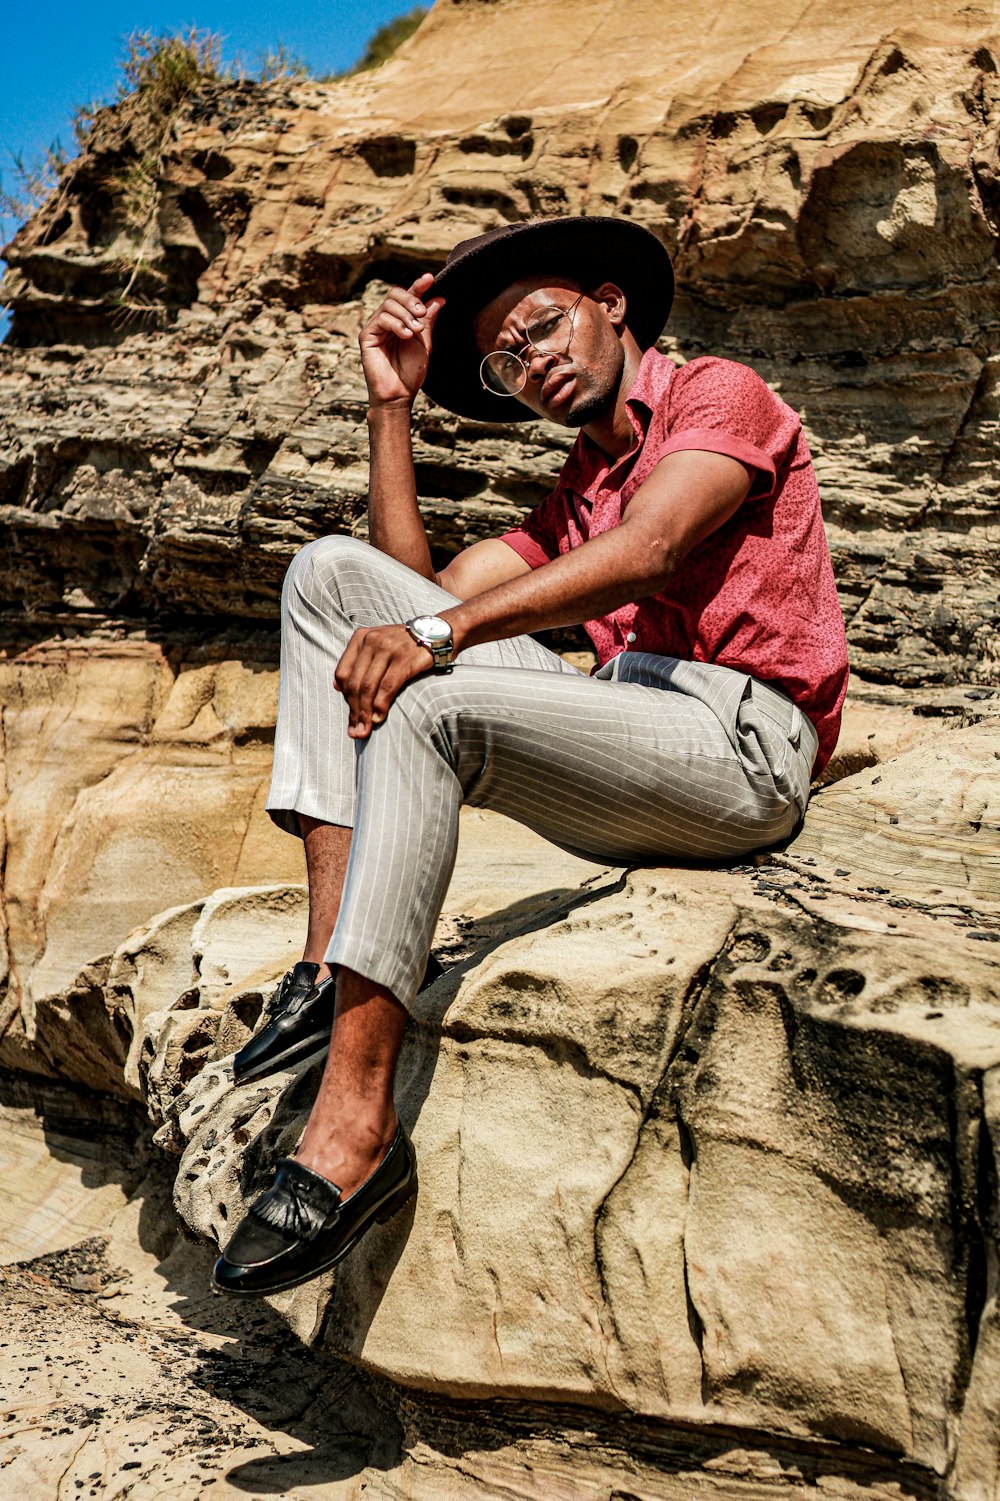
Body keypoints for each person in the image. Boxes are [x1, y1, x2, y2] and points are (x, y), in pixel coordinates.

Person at [213, 215, 849, 1295]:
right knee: (328, 574)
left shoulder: (716, 395)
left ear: (611, 303)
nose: (530, 364)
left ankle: (355, 1127)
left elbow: (644, 551)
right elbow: (420, 590)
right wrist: (390, 405)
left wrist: (434, 639)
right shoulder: (577, 488)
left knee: (425, 699)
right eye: (504, 362)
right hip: (630, 721)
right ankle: (327, 967)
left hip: (739, 745)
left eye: (543, 327)